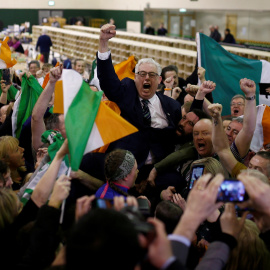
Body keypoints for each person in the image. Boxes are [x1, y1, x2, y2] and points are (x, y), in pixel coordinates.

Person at [97, 23, 181, 173]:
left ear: (160, 80)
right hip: (125, 169)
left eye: (151, 75)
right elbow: (107, 80)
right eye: (142, 74)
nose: (146, 79)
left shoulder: (172, 106)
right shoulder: (126, 92)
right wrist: (103, 42)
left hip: (159, 170)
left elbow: (182, 133)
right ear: (135, 77)